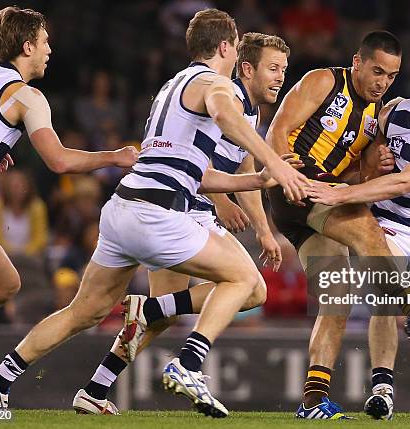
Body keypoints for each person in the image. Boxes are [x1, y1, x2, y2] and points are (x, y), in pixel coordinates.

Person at [0, 9, 307, 417]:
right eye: (237, 48)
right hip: (163, 215)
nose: (238, 56)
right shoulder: (216, 85)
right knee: (249, 284)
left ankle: (2, 380)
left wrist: (252, 183)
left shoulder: (173, 84)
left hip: (123, 208)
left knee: (86, 311)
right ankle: (189, 363)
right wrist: (275, 162)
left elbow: (192, 169)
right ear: (225, 47)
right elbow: (223, 113)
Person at [71, 31, 291, 415]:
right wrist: (221, 201)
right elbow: (194, 161)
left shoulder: (250, 108)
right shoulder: (224, 95)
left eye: (283, 70)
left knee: (165, 314)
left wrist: (263, 228)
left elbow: (243, 165)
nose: (279, 77)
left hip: (175, 207)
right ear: (246, 67)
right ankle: (187, 360)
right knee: (249, 288)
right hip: (183, 208)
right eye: (273, 68)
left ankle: (96, 387)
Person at [266, 31, 410, 419]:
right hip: (300, 185)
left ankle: (313, 401)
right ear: (357, 62)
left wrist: (363, 172)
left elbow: (362, 174)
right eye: (377, 71)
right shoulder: (325, 81)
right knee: (369, 235)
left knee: (337, 295)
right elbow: (278, 128)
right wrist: (286, 175)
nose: (383, 82)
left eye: (391, 75)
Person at [0, 6, 138, 407]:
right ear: (27, 45)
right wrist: (115, 156)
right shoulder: (27, 97)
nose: (50, 48)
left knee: (5, 282)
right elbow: (60, 161)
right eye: (45, 41)